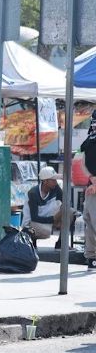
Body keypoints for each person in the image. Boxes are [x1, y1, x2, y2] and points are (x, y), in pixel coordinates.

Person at [25, 166, 64, 240]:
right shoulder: (33, 193)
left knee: (70, 213)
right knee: (46, 232)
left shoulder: (55, 188)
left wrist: (61, 214)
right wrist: (53, 219)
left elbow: (66, 202)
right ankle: (32, 241)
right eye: (53, 180)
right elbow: (34, 217)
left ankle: (61, 243)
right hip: (33, 222)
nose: (55, 182)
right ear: (45, 181)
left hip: (48, 218)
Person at [80, 111, 96, 271]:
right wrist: (91, 177)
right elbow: (81, 160)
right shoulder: (89, 139)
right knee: (89, 221)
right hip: (90, 186)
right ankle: (92, 258)